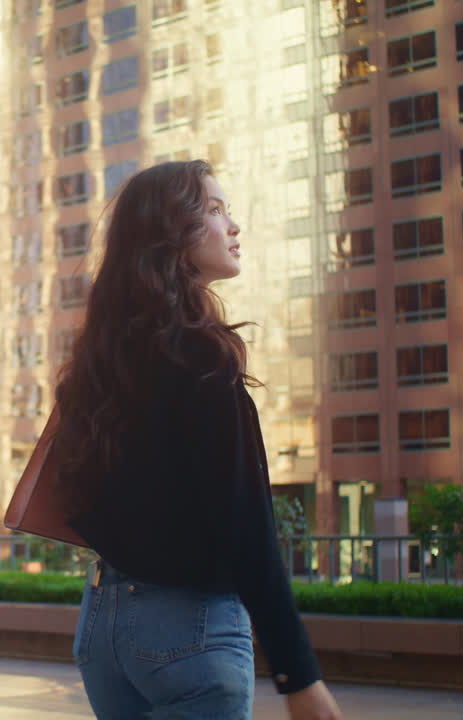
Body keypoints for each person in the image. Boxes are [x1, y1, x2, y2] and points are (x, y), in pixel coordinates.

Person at [53, 161, 344, 720]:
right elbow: (248, 526)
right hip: (188, 631)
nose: (232, 226)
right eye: (213, 210)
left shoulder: (99, 367)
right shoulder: (203, 359)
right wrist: (299, 676)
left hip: (103, 626)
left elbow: (77, 498)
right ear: (170, 236)